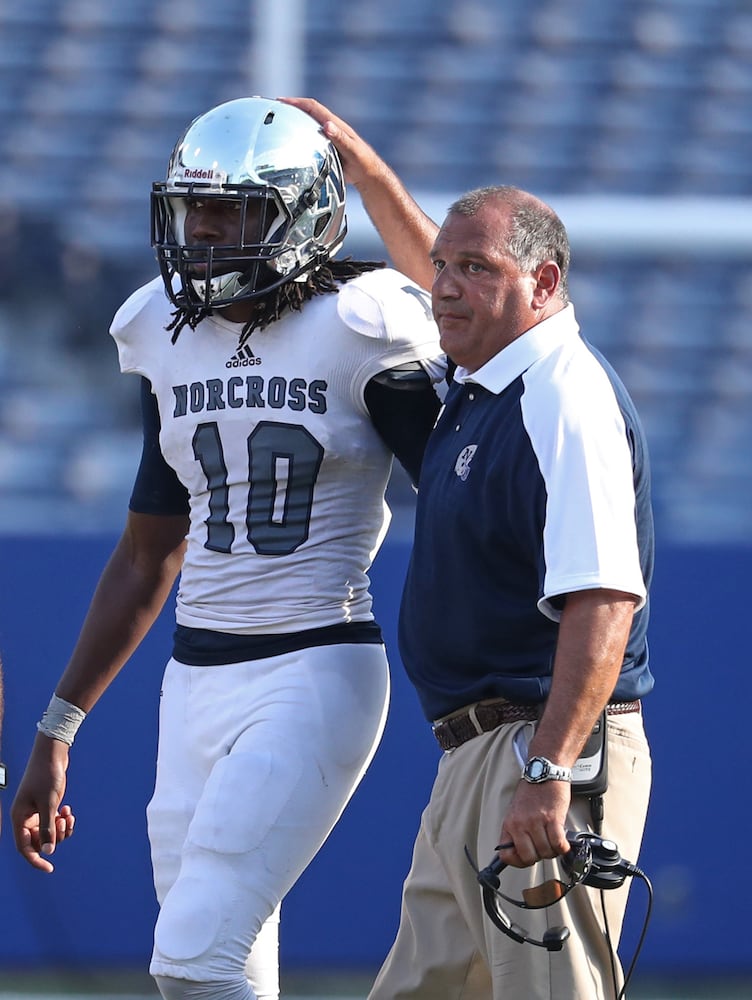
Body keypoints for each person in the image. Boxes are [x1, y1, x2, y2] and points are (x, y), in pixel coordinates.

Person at [10, 97, 445, 1000]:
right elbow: (146, 554)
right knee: (211, 969)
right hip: (194, 680)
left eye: (232, 211)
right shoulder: (161, 333)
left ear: (304, 213)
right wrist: (58, 728)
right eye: (193, 210)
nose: (203, 234)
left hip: (311, 668)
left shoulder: (366, 321)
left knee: (193, 956)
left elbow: (464, 495)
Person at [285, 98, 654, 1000]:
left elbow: (604, 601)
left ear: (544, 282)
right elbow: (440, 270)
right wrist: (369, 174)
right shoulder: (493, 373)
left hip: (536, 748)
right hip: (475, 754)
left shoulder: (560, 397)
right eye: (441, 267)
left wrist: (548, 771)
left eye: (475, 269)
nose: (442, 287)